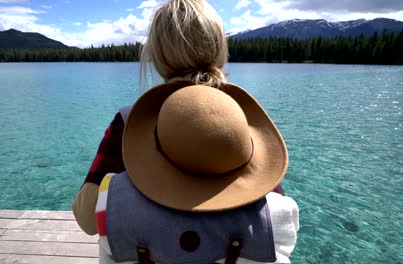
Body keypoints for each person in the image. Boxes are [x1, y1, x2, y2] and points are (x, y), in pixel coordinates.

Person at [72, 0, 299, 263]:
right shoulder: (242, 120)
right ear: (219, 48)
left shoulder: (128, 121)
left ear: (158, 56)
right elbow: (275, 213)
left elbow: (88, 219)